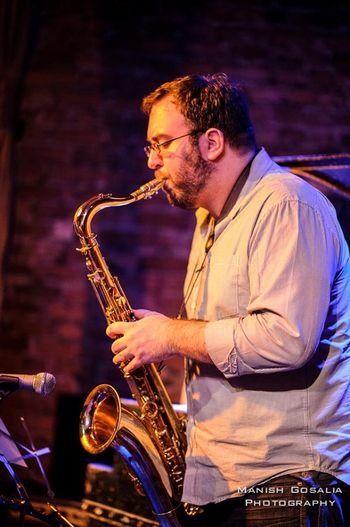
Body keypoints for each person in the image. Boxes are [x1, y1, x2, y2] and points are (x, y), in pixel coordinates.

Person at [106, 73, 350, 526]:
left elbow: (286, 338)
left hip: (286, 488)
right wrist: (157, 340)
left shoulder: (286, 205)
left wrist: (171, 336)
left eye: (161, 144)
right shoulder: (210, 221)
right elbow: (226, 334)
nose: (152, 162)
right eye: (149, 148)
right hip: (229, 482)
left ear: (212, 142)